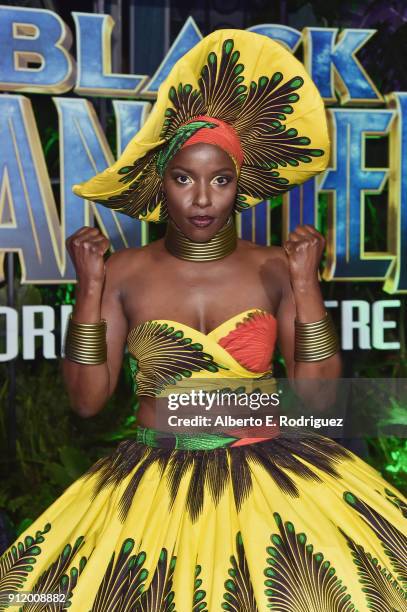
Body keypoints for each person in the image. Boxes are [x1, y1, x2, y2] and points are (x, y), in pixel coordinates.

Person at [1, 29, 406, 612]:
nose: (202, 198)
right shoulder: (123, 273)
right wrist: (89, 290)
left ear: (239, 187)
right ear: (160, 182)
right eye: (184, 178)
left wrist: (304, 285)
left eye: (221, 180)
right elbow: (88, 401)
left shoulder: (275, 268)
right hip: (152, 486)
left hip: (278, 480)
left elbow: (318, 401)